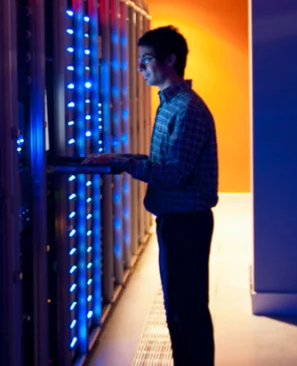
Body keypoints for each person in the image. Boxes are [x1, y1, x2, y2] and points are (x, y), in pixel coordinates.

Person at [85, 25, 218, 365]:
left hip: (186, 223)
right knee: (178, 307)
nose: (141, 68)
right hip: (176, 221)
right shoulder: (170, 106)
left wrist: (123, 164)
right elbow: (163, 163)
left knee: (186, 310)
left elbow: (173, 174)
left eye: (146, 60)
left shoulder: (187, 110)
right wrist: (116, 160)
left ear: (170, 60)